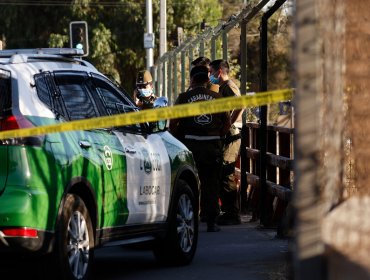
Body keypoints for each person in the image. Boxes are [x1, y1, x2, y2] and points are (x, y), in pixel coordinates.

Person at [169, 65, 231, 232]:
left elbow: (173, 124)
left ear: (192, 80)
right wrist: (218, 136)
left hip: (190, 148)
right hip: (212, 147)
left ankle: (191, 219)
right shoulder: (218, 98)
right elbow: (227, 124)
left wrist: (178, 139)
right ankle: (211, 221)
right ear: (206, 80)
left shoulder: (183, 97)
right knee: (211, 184)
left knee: (190, 183)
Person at [209, 59, 243, 225]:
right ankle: (228, 211)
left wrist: (229, 122)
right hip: (225, 135)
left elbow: (240, 104)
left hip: (231, 135)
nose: (210, 76)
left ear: (219, 72)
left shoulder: (228, 86)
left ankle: (232, 214)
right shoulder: (221, 87)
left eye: (212, 72)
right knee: (222, 171)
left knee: (226, 170)